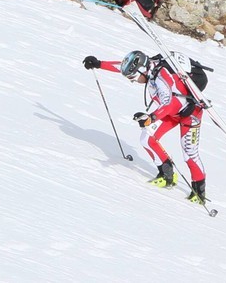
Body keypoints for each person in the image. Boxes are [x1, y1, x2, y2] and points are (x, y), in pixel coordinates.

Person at [85, 50, 208, 203]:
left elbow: (169, 103)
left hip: (189, 115)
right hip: (170, 114)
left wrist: (151, 118)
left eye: (133, 78)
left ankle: (199, 193)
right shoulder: (149, 68)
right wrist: (99, 64)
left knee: (189, 154)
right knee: (147, 139)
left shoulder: (161, 78)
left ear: (142, 71)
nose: (132, 81)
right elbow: (122, 67)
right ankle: (167, 175)